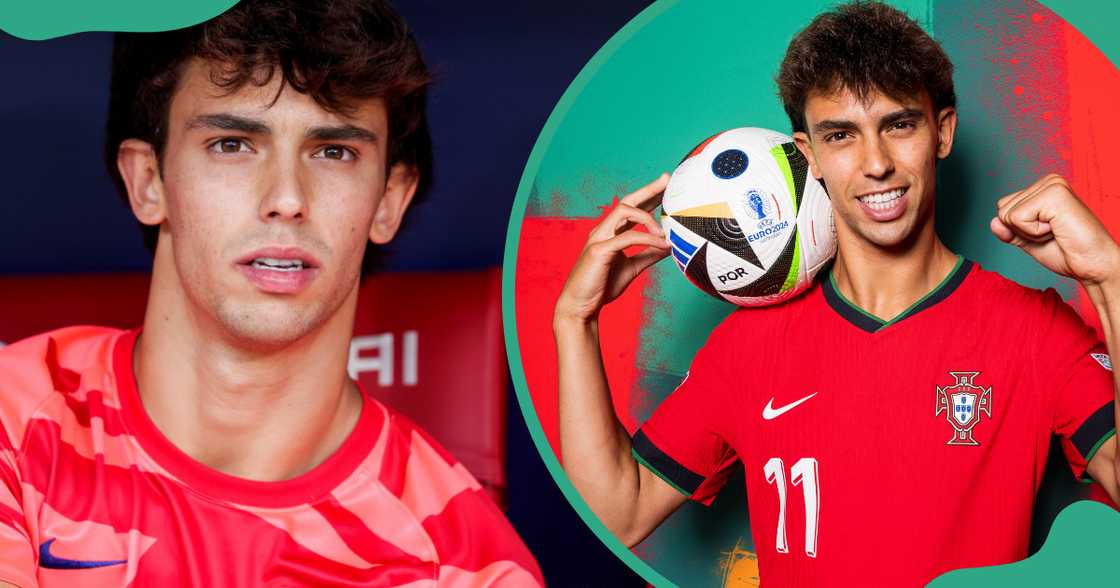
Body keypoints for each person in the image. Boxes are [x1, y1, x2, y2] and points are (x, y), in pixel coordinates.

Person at [554, 2, 1119, 584]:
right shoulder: (746, 348)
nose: (876, 163)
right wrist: (576, 320)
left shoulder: (1033, 329)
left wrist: (1111, 278)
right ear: (810, 156)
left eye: (898, 124)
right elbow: (617, 512)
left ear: (942, 131)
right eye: (841, 135)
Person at [0, 1, 542, 586]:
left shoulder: (465, 562)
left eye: (334, 151)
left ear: (388, 201)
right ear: (149, 181)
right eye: (232, 143)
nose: (286, 197)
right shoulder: (14, 417)